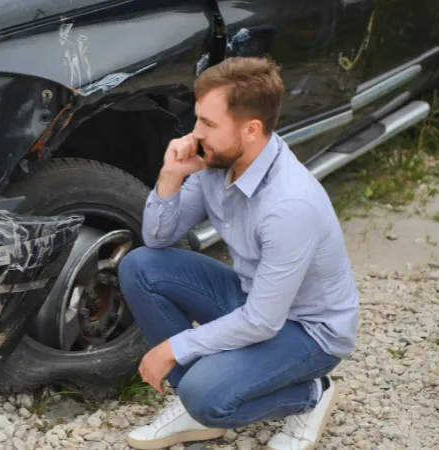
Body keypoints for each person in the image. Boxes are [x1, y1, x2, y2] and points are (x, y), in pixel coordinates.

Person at [117, 56, 360, 450]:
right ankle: (200, 395)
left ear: (251, 130)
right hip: (252, 299)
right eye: (197, 119)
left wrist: (174, 348)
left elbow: (263, 322)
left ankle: (311, 395)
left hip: (307, 332)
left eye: (208, 124)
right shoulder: (216, 162)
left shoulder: (290, 205)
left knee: (205, 395)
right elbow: (158, 241)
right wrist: (170, 176)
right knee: (140, 266)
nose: (194, 134)